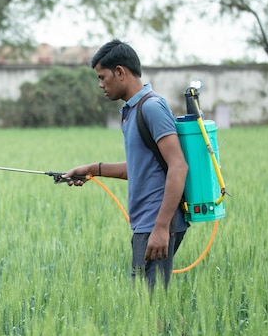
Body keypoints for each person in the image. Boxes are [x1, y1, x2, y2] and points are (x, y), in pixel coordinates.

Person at [63, 39, 189, 288]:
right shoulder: (131, 111)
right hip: (147, 222)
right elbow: (141, 169)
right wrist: (91, 170)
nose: (100, 85)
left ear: (120, 72)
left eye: (102, 77)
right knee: (150, 301)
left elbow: (178, 166)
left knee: (146, 305)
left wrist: (162, 228)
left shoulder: (151, 107)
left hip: (155, 222)